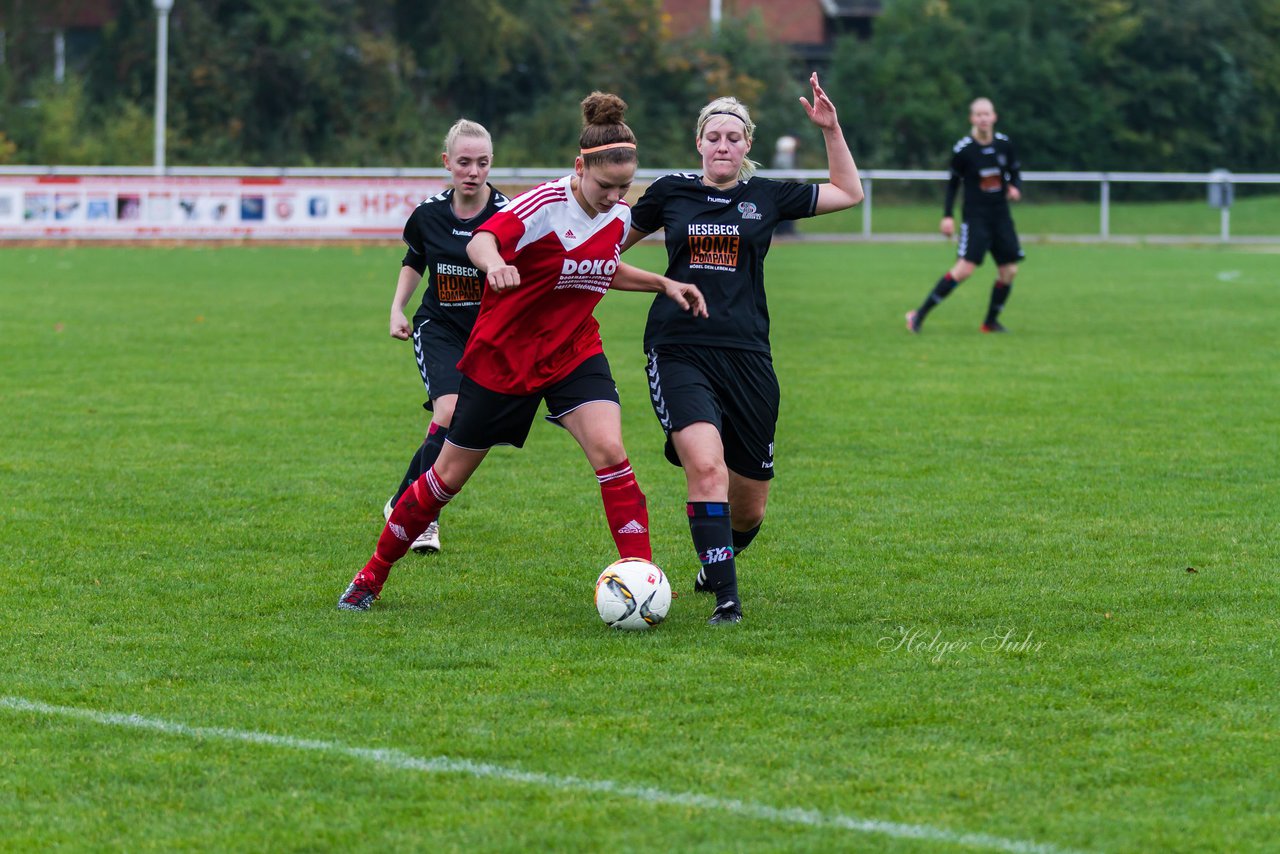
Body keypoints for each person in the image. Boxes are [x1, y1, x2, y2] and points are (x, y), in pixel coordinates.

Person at [338, 92, 708, 612]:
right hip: (505, 358)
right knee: (444, 480)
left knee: (611, 453)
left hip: (573, 352)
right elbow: (481, 240)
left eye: (625, 187)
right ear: (580, 167)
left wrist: (662, 283)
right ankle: (372, 575)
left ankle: (640, 583)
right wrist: (493, 265)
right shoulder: (543, 204)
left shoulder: (619, 217)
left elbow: (601, 265)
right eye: (606, 185)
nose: (614, 197)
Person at [620, 73, 863, 625]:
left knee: (749, 506)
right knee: (707, 469)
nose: (723, 145)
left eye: (734, 137)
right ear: (699, 143)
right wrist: (657, 284)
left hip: (749, 355)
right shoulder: (668, 193)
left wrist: (831, 129)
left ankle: (715, 563)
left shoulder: (767, 195)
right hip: (679, 347)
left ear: (747, 144)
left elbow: (850, 193)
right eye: (714, 137)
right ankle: (727, 602)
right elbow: (604, 252)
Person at [384, 119, 510, 555]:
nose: (472, 171)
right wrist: (397, 307)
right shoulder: (429, 214)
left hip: (487, 337)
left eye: (482, 162)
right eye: (463, 162)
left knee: (458, 426)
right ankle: (422, 515)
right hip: (437, 327)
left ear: (491, 163)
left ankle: (403, 502)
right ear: (447, 163)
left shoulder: (508, 215)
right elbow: (413, 259)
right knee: (450, 409)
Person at [906, 97, 1024, 334]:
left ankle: (989, 323)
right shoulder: (964, 150)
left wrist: (1015, 187)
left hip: (1000, 215)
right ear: (972, 118)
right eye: (978, 114)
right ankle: (918, 315)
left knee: (1009, 271)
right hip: (976, 217)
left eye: (987, 114)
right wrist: (947, 216)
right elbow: (952, 185)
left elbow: (1014, 171)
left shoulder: (1004, 145)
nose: (983, 118)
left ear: (994, 117)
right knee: (964, 270)